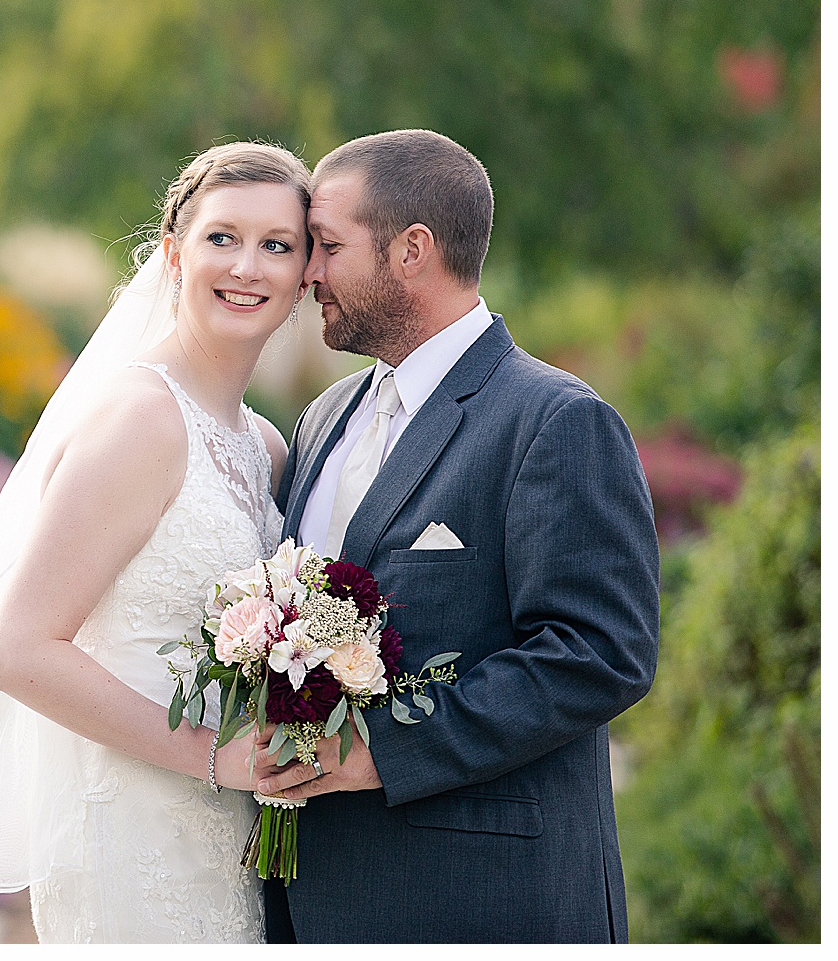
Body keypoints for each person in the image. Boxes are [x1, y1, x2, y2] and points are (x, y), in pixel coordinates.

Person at [0, 142, 313, 942]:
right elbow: (18, 650)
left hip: (228, 827)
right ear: (172, 252)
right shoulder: (139, 419)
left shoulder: (261, 444)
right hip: (130, 823)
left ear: (306, 274)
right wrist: (211, 758)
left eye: (278, 246)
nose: (248, 266)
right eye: (222, 237)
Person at [253, 129, 660, 943]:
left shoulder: (555, 421)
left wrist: (376, 755)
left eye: (328, 246)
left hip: (481, 903)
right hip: (312, 901)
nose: (307, 272)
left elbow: (600, 652)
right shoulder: (324, 418)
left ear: (412, 250)